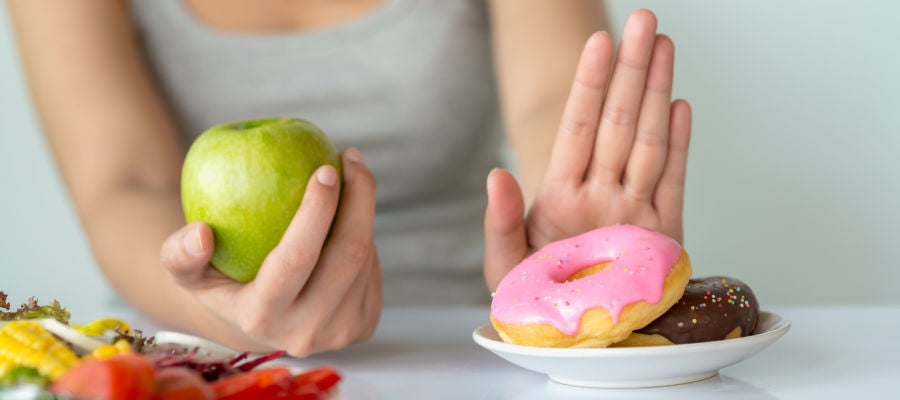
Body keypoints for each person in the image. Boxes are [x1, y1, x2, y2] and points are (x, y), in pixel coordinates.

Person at [8, 1, 690, 357]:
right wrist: (224, 315)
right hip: (196, 354)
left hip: (470, 348)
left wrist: (570, 246)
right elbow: (123, 181)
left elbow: (553, 102)